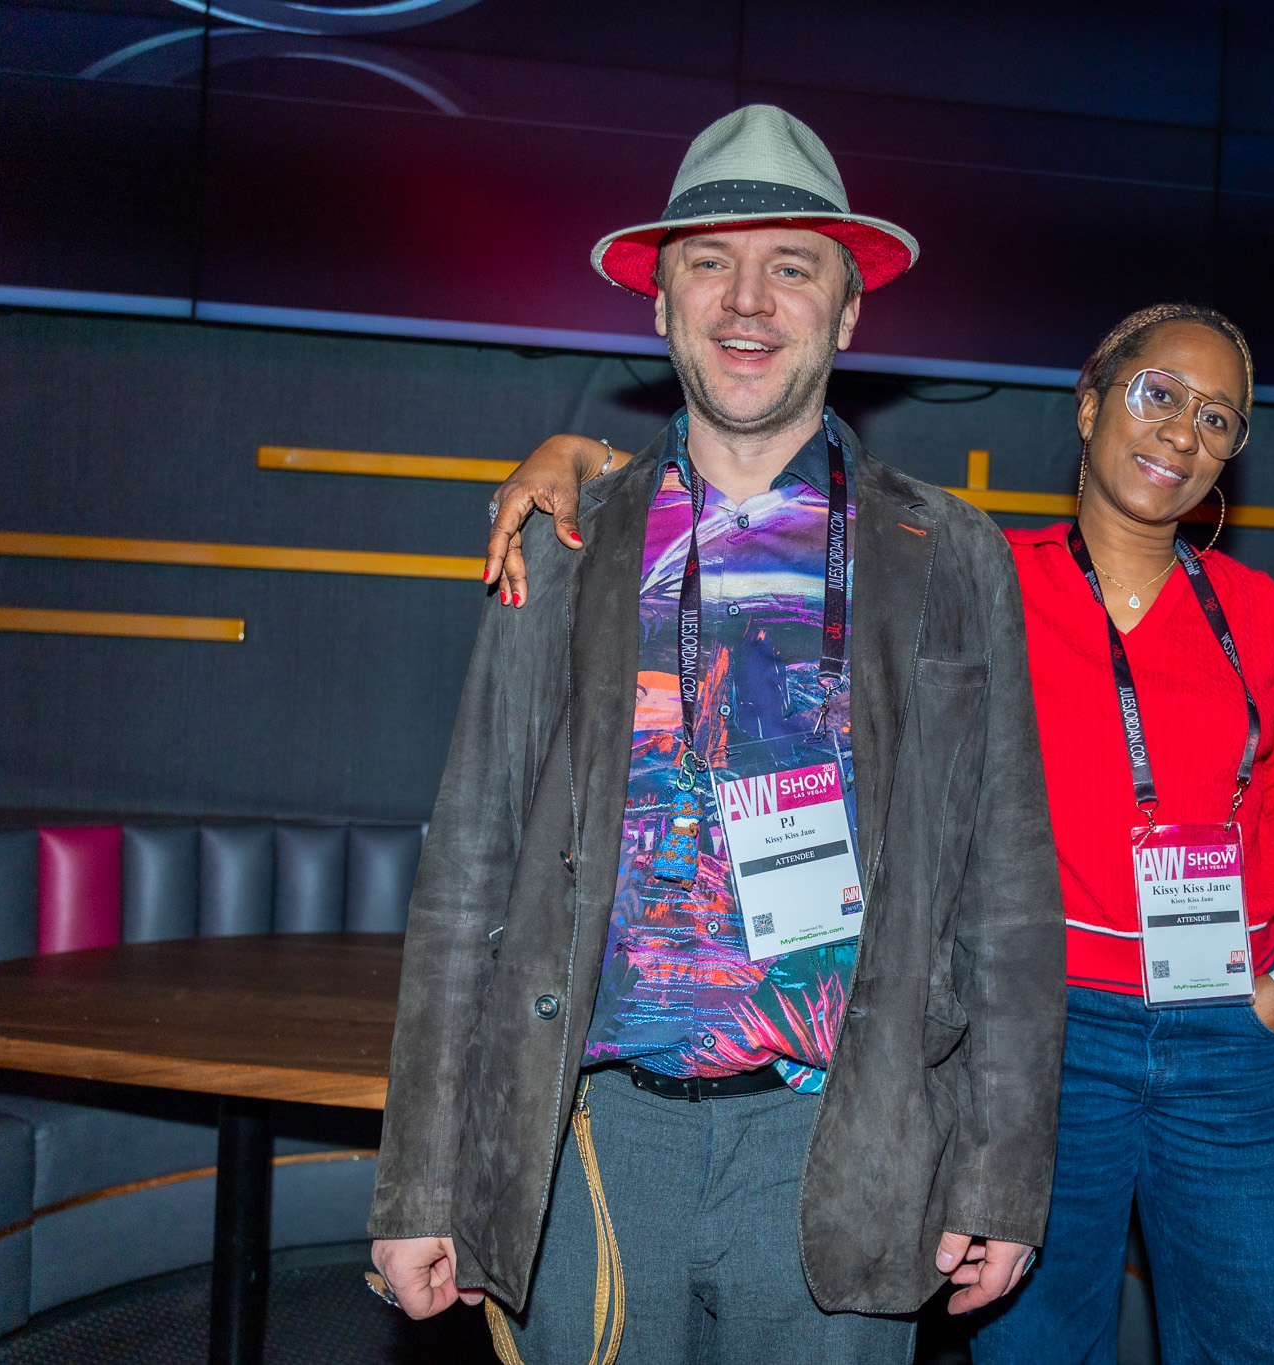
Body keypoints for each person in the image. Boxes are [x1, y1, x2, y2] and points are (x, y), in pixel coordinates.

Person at [487, 303, 1274, 1364]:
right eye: (1158, 394)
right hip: (1046, 1037)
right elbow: (762, 508)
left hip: (1228, 1032)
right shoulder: (974, 572)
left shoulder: (1256, 612)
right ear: (1089, 406)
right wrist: (584, 457)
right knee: (1038, 1351)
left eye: (1217, 418)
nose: (1182, 431)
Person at [369, 104, 1066, 1365]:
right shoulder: (562, 541)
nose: (746, 300)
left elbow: (1006, 889)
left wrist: (1001, 1174)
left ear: (847, 311)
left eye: (791, 266)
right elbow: (467, 864)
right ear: (659, 301)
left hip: (844, 1140)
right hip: (590, 1142)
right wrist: (422, 1178)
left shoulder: (953, 553)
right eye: (709, 262)